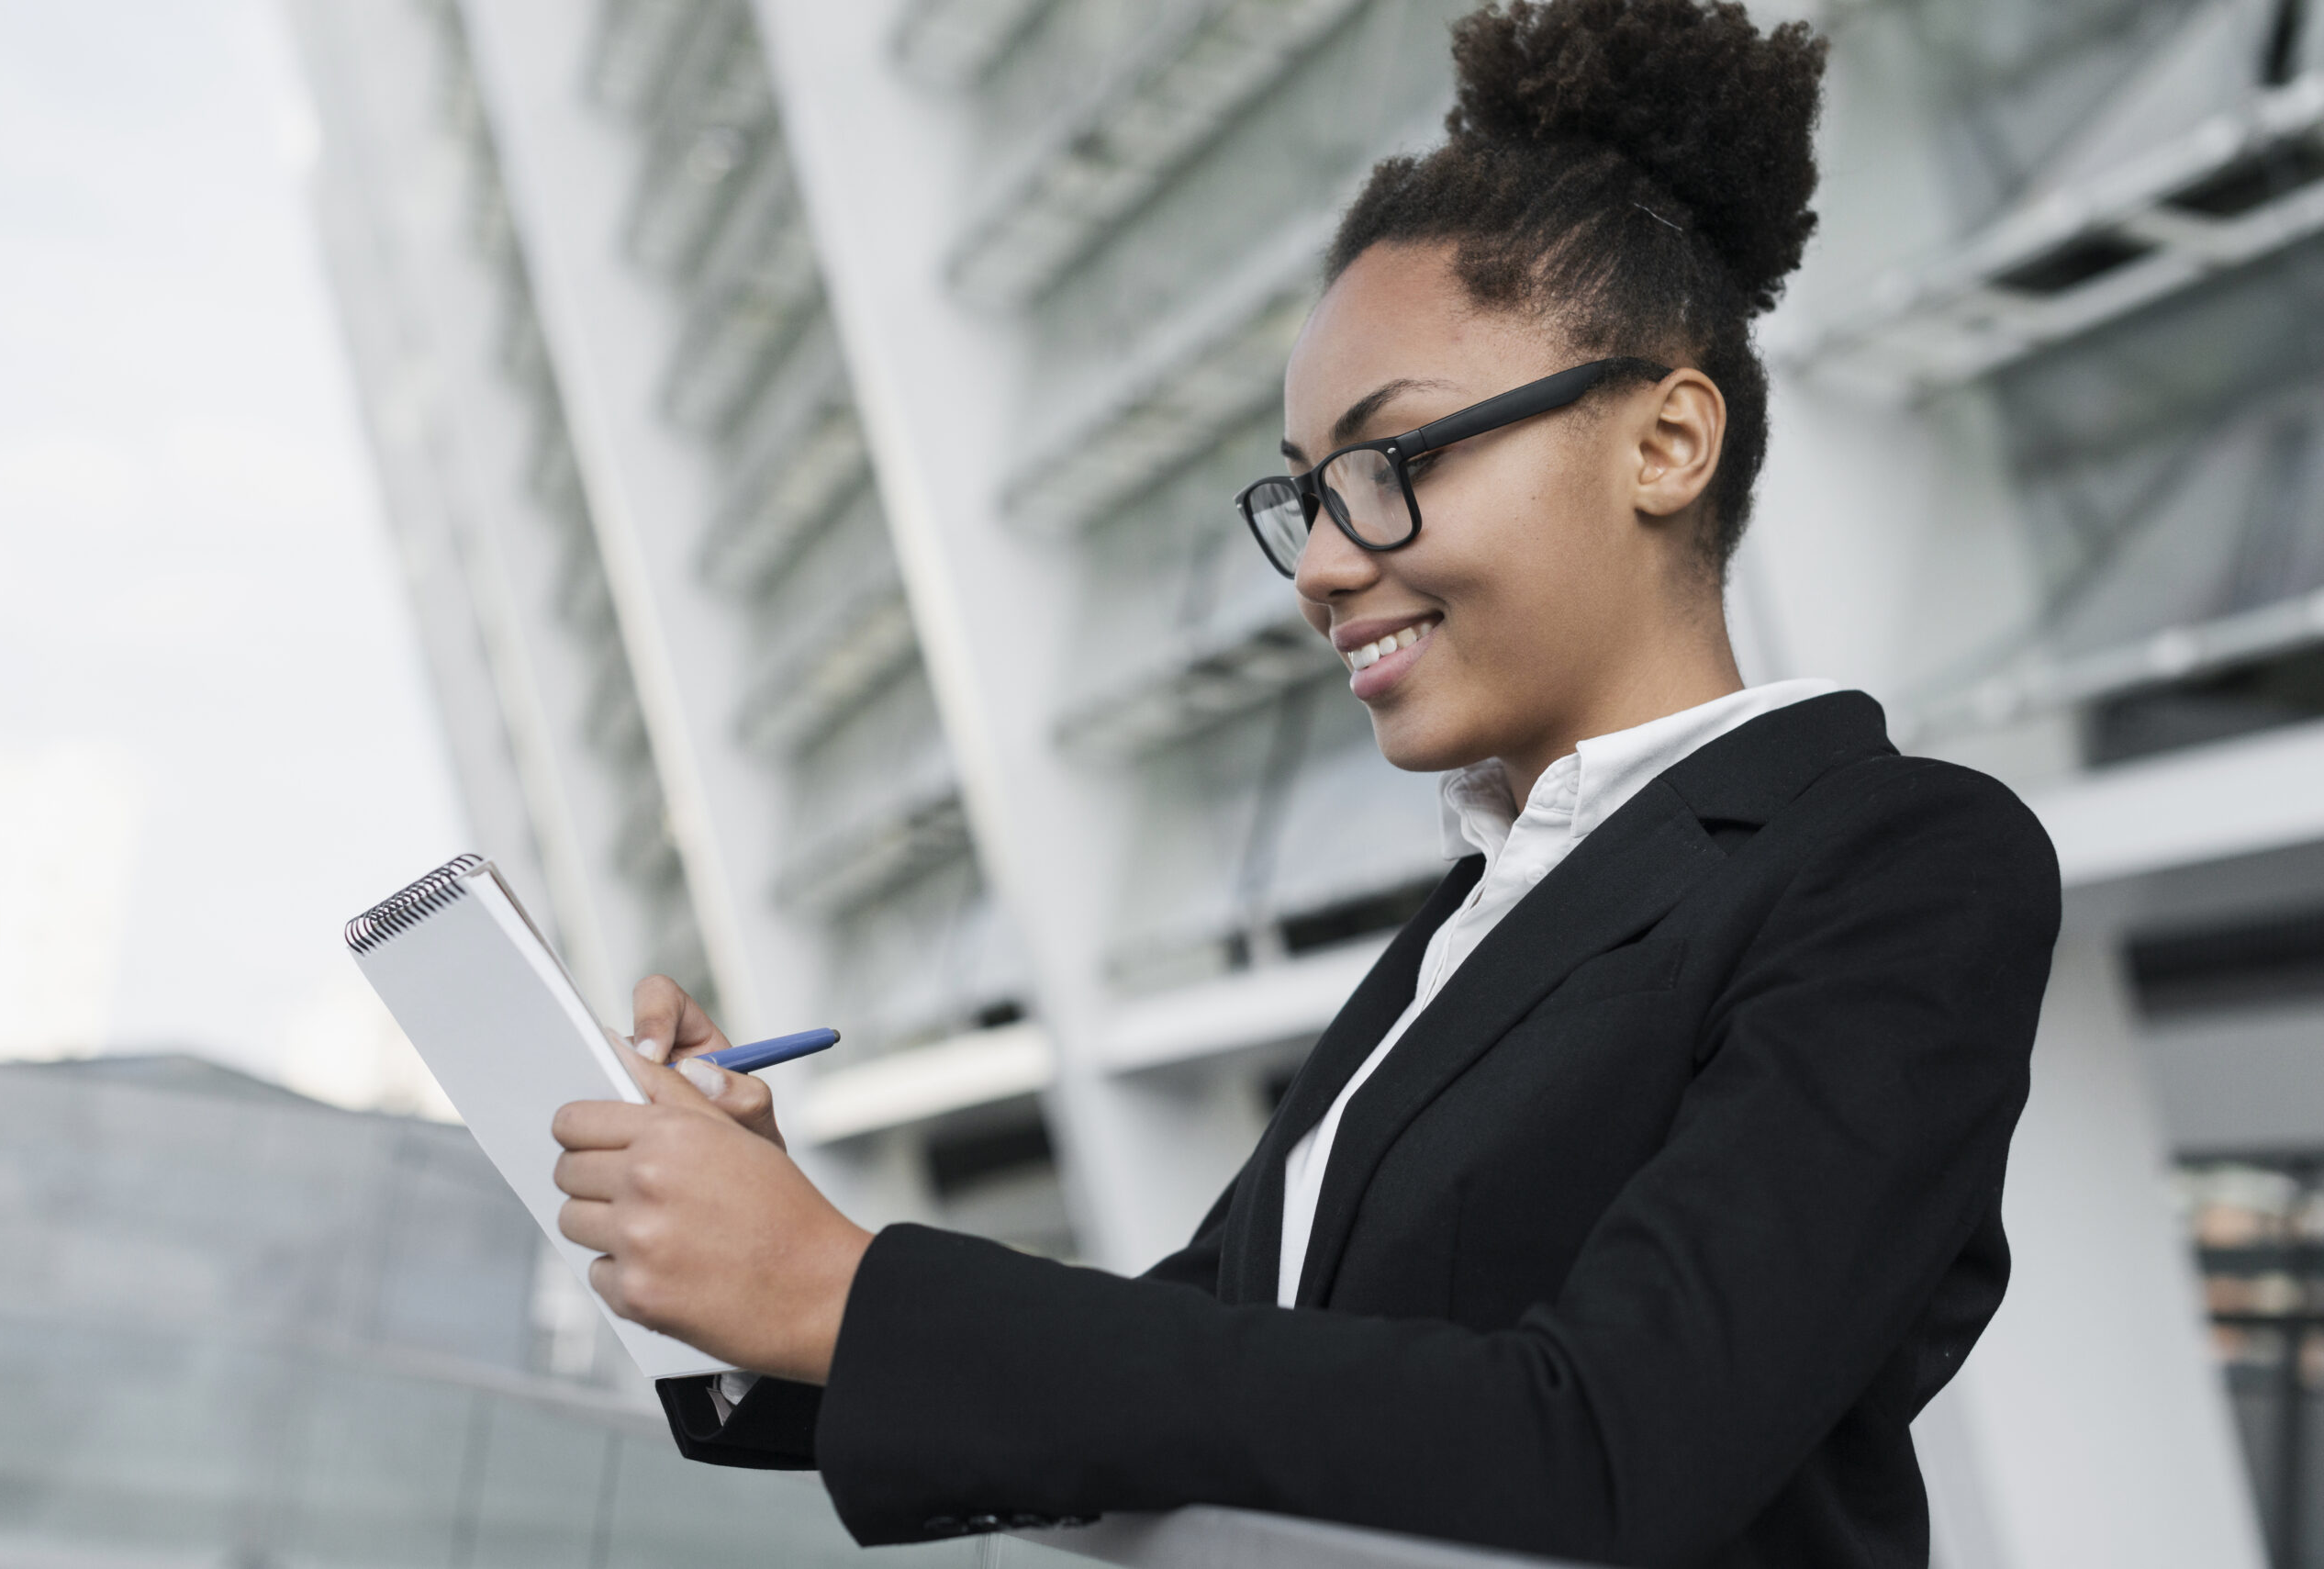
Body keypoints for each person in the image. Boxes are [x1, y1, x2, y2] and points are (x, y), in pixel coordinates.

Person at [548, 2, 2061, 1563]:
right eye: (1306, 493)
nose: (1327, 563)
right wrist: (767, 1263)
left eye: (1391, 465)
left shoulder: (1901, 862)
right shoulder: (1485, 916)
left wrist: (847, 1288)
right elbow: (1197, 1356)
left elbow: (1611, 1442)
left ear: (1668, 441)